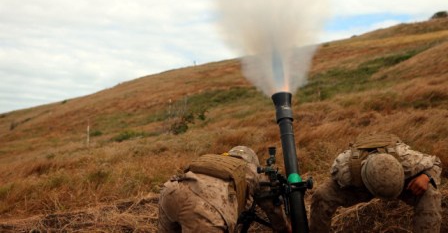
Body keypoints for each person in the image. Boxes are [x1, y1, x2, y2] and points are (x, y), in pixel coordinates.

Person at [310, 132, 442, 233]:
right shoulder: (345, 171)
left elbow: (436, 162)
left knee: (429, 194)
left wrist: (426, 176)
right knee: (322, 195)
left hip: (402, 183)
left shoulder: (408, 161)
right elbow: (326, 191)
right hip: (359, 185)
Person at [158, 145, 290, 232]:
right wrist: (284, 229)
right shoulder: (254, 171)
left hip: (170, 191)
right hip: (206, 205)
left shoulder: (214, 160)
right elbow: (272, 209)